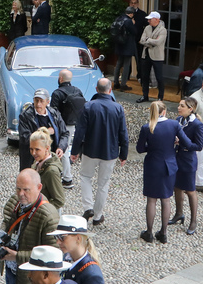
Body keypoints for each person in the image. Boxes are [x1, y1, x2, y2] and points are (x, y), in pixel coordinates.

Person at [0, 167, 61, 284]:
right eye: (18, 188)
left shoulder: (49, 215)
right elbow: (7, 222)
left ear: (39, 188)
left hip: (31, 283)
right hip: (13, 273)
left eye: (26, 190)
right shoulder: (16, 202)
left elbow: (51, 254)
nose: (21, 194)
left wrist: (17, 256)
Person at [70, 78, 128, 226]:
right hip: (110, 152)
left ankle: (88, 206)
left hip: (90, 150)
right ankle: (98, 215)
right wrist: (124, 154)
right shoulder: (118, 108)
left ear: (96, 89)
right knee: (103, 183)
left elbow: (79, 131)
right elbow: (123, 133)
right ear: (110, 90)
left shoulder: (88, 106)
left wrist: (74, 151)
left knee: (85, 177)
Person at [137, 101, 194, 243]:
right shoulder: (174, 125)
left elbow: (139, 149)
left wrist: (151, 148)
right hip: (169, 165)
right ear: (164, 111)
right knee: (166, 198)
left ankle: (149, 232)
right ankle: (163, 233)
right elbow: (186, 142)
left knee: (151, 199)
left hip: (152, 165)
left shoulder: (147, 127)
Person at [169, 97, 203, 236]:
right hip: (176, 158)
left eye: (182, 106)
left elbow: (198, 146)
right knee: (177, 187)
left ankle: (193, 220)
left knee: (190, 190)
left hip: (188, 161)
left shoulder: (197, 125)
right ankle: (179, 213)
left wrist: (182, 141)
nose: (179, 108)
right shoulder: (178, 120)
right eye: (179, 105)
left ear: (190, 109)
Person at [17, 89, 68, 171]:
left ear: (48, 102)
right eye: (36, 101)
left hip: (50, 160)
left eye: (41, 101)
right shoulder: (26, 116)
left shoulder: (54, 114)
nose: (38, 104)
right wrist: (46, 132)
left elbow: (64, 133)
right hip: (31, 161)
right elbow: (25, 138)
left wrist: (61, 147)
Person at [51, 69, 85, 186]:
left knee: (63, 150)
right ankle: (64, 172)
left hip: (63, 126)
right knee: (69, 149)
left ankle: (67, 178)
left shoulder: (57, 93)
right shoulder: (77, 90)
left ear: (60, 79)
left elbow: (53, 112)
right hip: (77, 125)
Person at [28, 129, 65, 209]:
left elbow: (59, 200)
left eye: (37, 149)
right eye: (31, 149)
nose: (33, 153)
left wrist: (39, 209)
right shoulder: (38, 161)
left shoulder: (51, 172)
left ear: (47, 148)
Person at [137, 12, 167, 103]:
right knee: (144, 76)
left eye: (150, 19)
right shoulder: (147, 28)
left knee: (159, 77)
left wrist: (148, 40)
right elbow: (141, 40)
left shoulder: (162, 30)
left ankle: (160, 98)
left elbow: (158, 42)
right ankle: (145, 95)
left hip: (157, 57)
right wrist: (151, 42)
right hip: (146, 55)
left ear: (157, 19)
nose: (148, 21)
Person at [110, 6, 138, 90]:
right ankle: (123, 84)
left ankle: (115, 83)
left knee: (118, 63)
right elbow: (134, 32)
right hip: (127, 45)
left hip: (119, 44)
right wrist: (133, 24)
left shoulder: (119, 18)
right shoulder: (129, 21)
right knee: (126, 65)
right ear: (132, 14)